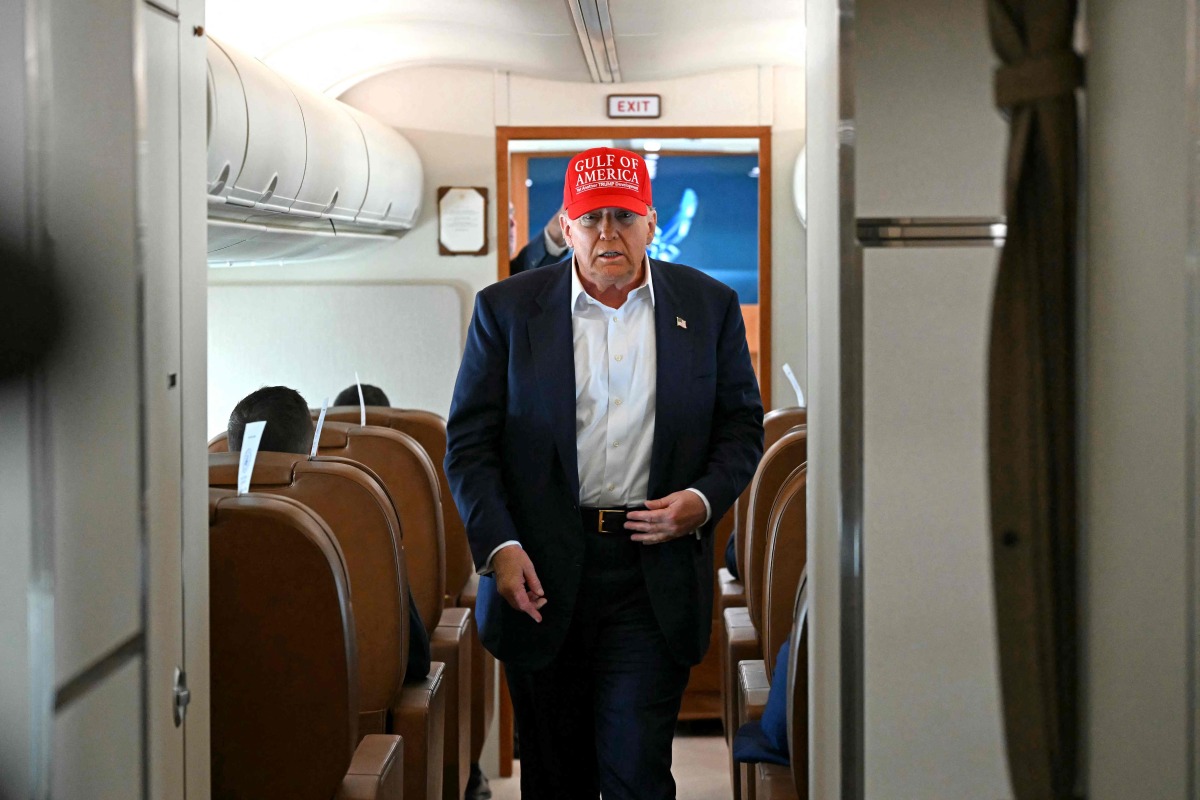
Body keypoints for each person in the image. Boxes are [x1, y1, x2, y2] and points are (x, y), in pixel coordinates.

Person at [445, 147, 763, 800]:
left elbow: (740, 428)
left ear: (652, 221)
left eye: (624, 218)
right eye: (592, 220)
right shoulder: (506, 310)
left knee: (637, 772)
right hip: (538, 573)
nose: (608, 235)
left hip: (654, 570)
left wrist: (703, 501)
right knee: (557, 775)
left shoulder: (707, 307)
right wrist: (498, 549)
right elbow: (470, 445)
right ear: (566, 225)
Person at [227, 385, 432, 684]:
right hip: (345, 721)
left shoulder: (197, 526)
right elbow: (415, 660)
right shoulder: (361, 517)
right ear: (313, 449)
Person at [510, 203, 570, 274]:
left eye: (511, 213)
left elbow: (546, 246)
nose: (512, 223)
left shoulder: (515, 271)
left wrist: (567, 210)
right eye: (502, 216)